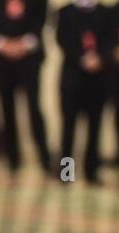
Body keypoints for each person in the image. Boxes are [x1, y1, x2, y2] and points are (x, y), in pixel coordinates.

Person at [0, 0, 51, 173]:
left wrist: (23, 44)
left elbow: (40, 21)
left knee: (34, 107)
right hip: (1, 60)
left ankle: (45, 158)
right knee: (6, 108)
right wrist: (3, 45)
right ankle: (12, 159)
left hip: (29, 59)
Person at [56, 0, 111, 185]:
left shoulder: (106, 12)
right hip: (72, 78)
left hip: (99, 79)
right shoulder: (65, 12)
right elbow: (63, 39)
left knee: (95, 127)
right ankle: (66, 173)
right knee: (69, 128)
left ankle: (91, 171)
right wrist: (82, 58)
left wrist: (100, 57)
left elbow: (110, 40)